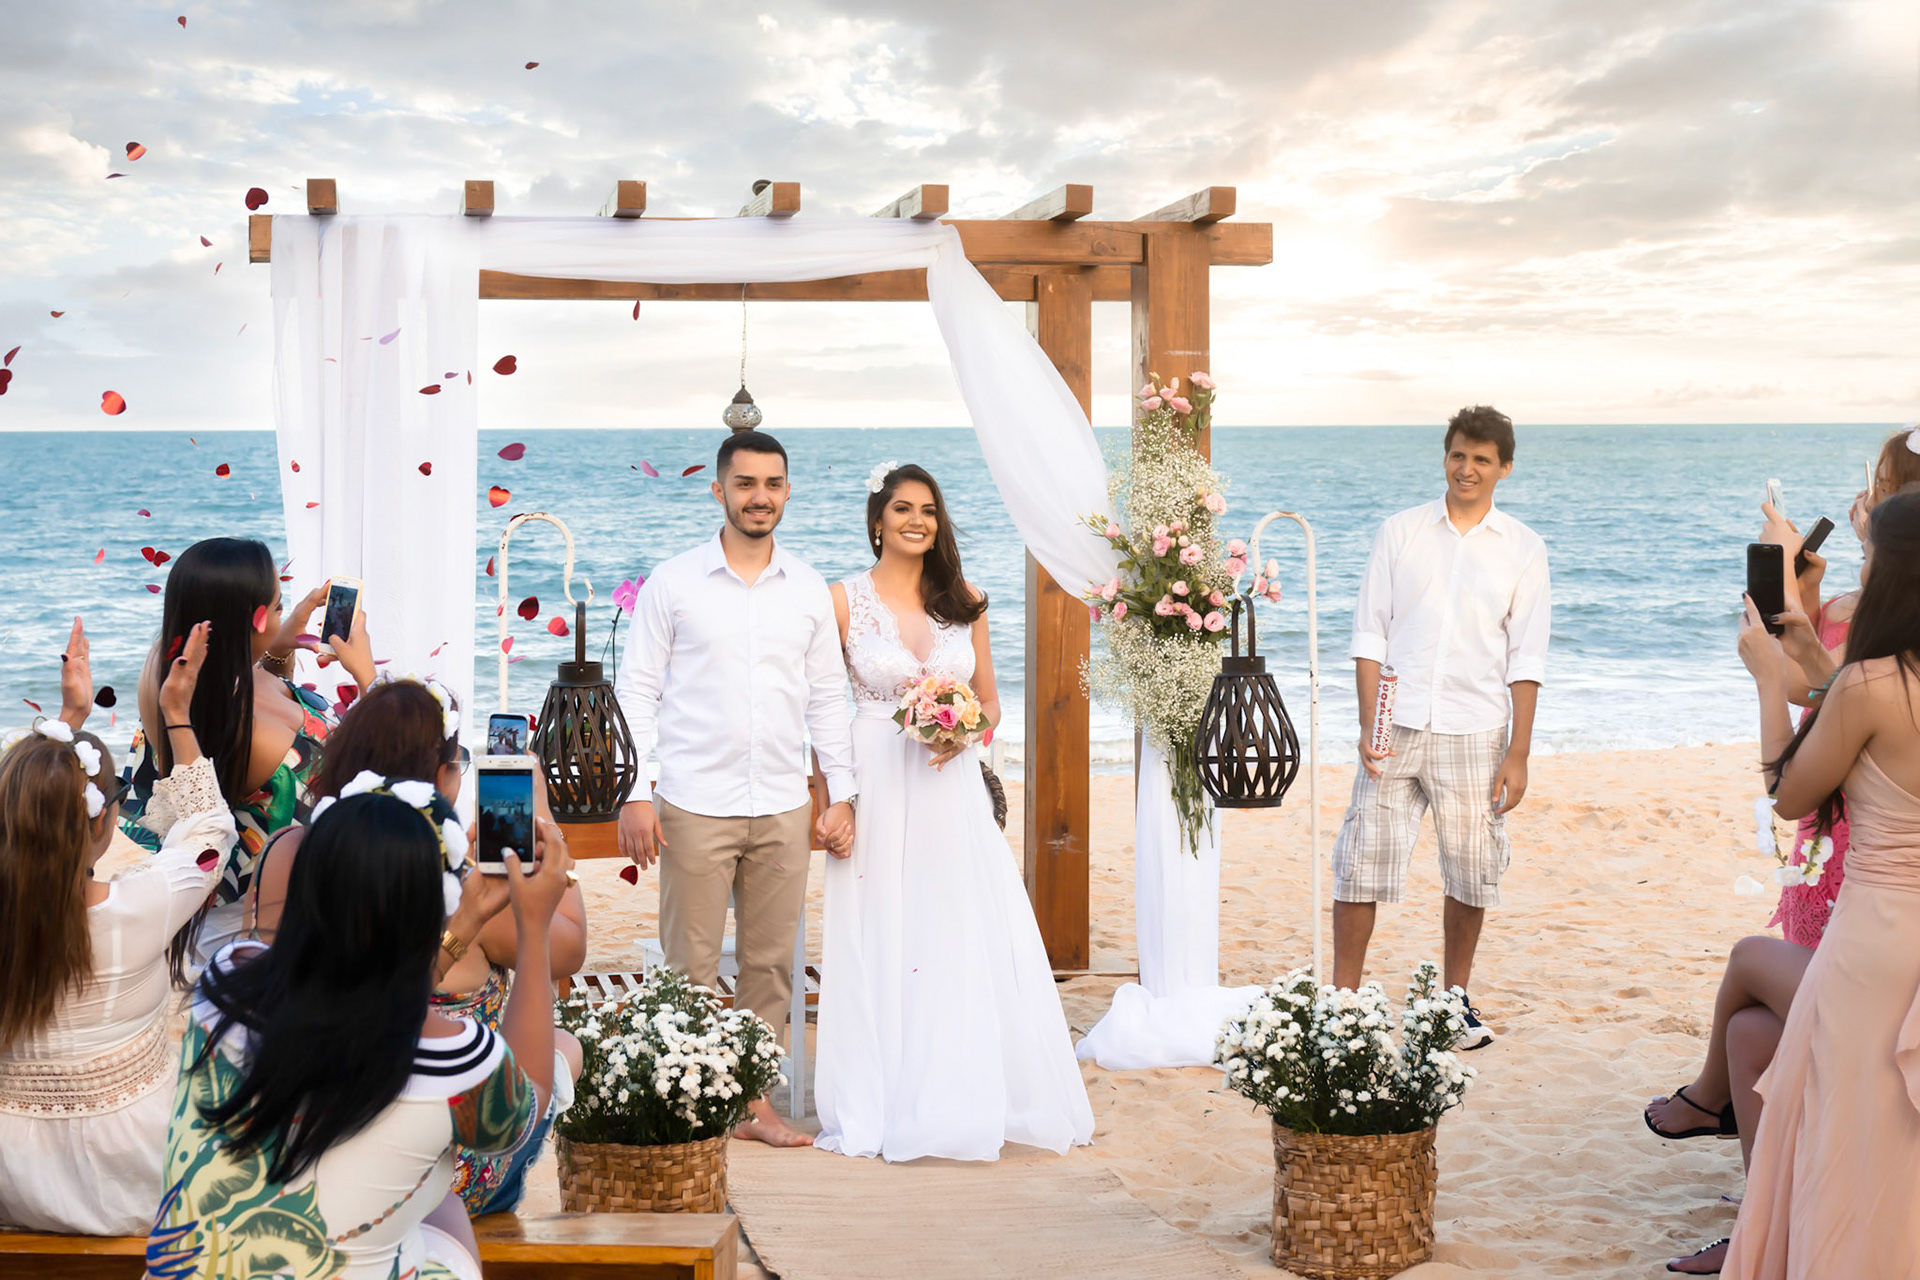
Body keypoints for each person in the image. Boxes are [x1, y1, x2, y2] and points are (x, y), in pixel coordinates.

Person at [145, 784, 573, 1280]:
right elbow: (529, 1099)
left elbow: (361, 988)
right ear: (430, 914)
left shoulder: (226, 984)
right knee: (447, 1208)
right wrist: (534, 927)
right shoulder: (456, 1063)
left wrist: (469, 920)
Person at [813, 462, 1094, 1162]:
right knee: (880, 922)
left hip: (949, 780)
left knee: (955, 919)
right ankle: (883, 1091)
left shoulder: (965, 599)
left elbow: (992, 700)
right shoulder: (840, 600)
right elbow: (819, 708)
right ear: (877, 518)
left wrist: (967, 729)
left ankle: (959, 1089)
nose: (917, 520)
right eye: (903, 508)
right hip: (875, 769)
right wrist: (833, 799)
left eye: (930, 510)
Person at [248, 676, 588, 1215]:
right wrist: (539, 815)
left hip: (302, 1127)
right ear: (438, 778)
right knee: (563, 1050)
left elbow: (358, 1003)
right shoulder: (441, 880)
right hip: (423, 1169)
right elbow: (568, 952)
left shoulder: (286, 849)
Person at [614, 429, 858, 1147]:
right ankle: (682, 1109)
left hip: (783, 804)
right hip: (693, 802)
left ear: (787, 491)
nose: (761, 497)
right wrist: (635, 790)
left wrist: (839, 794)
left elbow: (825, 700)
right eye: (746, 484)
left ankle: (751, 1107)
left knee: (769, 968)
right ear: (718, 490)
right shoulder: (674, 583)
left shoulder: (809, 588)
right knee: (686, 966)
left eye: (773, 484)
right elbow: (637, 692)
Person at [1711, 488, 1920, 1278]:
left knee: (1848, 1132)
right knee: (1900, 1151)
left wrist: (1772, 677)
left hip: (1875, 948)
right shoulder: (1869, 685)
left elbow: (1791, 791)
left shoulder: (1872, 684)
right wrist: (1817, 662)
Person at [1330, 405, 1551, 1048]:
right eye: (1459, 455)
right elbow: (1370, 633)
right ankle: (1345, 1006)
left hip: (1477, 731)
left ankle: (1452, 1007)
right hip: (1395, 729)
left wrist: (1520, 752)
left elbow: (1526, 657)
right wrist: (1371, 723)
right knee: (1360, 859)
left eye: (1483, 459)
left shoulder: (1523, 549)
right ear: (1445, 457)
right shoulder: (1400, 532)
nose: (1468, 468)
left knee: (1472, 868)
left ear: (1504, 468)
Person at [0, 620, 230, 1235]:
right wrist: (176, 713)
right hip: (136, 1175)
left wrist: (70, 717)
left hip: (12, 1181)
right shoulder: (139, 907)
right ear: (105, 826)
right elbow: (212, 831)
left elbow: (25, 808)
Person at [122, 537, 377, 975]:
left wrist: (280, 644)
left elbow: (256, 687)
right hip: (263, 933)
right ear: (252, 620)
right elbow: (369, 776)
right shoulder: (246, 735)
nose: (285, 614)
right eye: (278, 607)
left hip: (263, 906)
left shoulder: (207, 688)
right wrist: (365, 676)